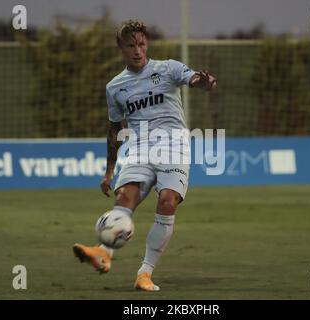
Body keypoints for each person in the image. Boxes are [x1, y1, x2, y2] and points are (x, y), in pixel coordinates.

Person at [73, 19, 216, 292]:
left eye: (141, 44)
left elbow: (195, 78)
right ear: (121, 49)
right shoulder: (115, 87)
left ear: (146, 43)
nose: (137, 50)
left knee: (168, 200)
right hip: (139, 147)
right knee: (124, 196)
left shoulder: (168, 68)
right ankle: (103, 253)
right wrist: (109, 170)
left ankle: (144, 273)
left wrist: (205, 82)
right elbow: (114, 128)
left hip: (174, 145)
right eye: (130, 46)